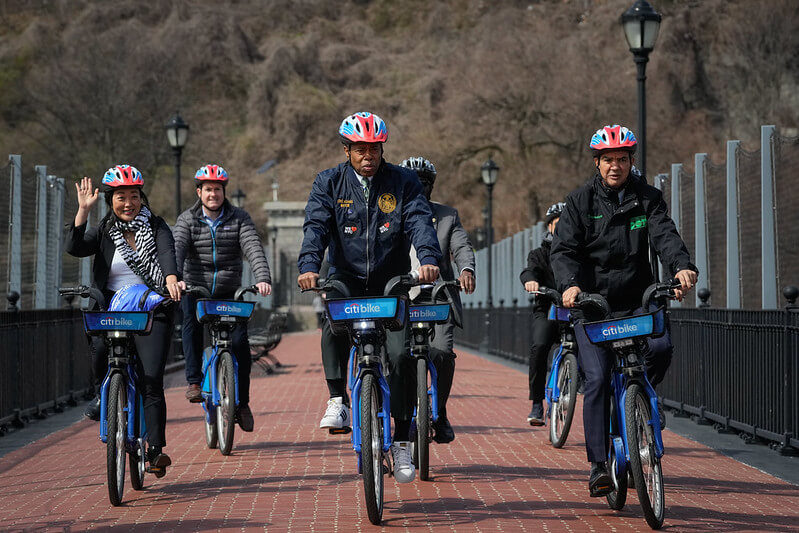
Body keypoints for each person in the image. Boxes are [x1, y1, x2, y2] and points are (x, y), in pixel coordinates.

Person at [551, 124, 698, 497]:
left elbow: (665, 234)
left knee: (661, 349)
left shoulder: (647, 198)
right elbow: (564, 249)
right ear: (597, 163)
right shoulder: (579, 202)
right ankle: (599, 465)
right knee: (598, 379)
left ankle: (643, 400)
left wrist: (681, 267)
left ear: (632, 161)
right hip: (593, 307)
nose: (615, 166)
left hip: (637, 300)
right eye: (607, 160)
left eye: (622, 159)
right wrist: (570, 285)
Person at [297, 112, 442, 483]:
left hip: (390, 280)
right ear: (347, 150)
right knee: (332, 321)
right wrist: (310, 266)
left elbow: (419, 221)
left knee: (401, 356)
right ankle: (338, 399)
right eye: (360, 149)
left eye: (374, 149)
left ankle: (403, 441)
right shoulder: (328, 183)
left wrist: (427, 259)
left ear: (382, 149)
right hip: (345, 276)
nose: (368, 156)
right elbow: (316, 226)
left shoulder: (403, 181)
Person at [66, 165, 182, 476]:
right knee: (101, 353)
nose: (128, 203)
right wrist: (82, 212)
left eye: (134, 196)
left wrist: (171, 278)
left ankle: (155, 449)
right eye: (121, 197)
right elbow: (75, 247)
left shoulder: (156, 226)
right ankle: (102, 396)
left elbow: (168, 254)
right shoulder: (105, 230)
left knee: (151, 378)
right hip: (111, 308)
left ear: (142, 198)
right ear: (110, 201)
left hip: (150, 308)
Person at [173, 164, 272, 433]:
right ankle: (194, 382)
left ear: (223, 192)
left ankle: (242, 403)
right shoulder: (187, 220)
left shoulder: (239, 218)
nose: (213, 194)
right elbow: (178, 249)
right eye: (208, 189)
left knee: (240, 343)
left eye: (217, 189)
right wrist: (176, 277)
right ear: (199, 192)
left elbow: (253, 246)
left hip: (230, 291)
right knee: (190, 324)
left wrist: (262, 277)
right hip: (196, 288)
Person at [399, 156, 475, 444]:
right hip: (403, 298)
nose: (420, 186)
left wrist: (466, 269)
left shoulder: (447, 216)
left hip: (438, 298)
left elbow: (462, 246)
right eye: (413, 180)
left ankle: (439, 412)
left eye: (426, 181)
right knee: (396, 358)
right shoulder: (391, 214)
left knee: (442, 354)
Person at [519, 202, 564, 426]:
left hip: (576, 310)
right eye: (559, 223)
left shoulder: (581, 252)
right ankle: (537, 403)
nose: (564, 227)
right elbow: (529, 270)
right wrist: (530, 281)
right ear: (549, 226)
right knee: (539, 347)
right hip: (547, 308)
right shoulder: (539, 253)